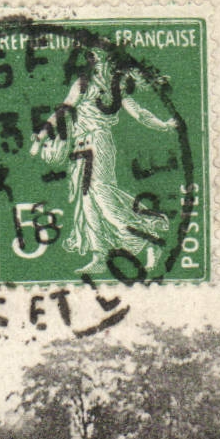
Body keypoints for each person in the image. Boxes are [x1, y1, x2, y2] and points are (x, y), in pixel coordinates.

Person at [30, 45, 180, 276]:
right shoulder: (83, 84)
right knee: (87, 205)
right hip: (79, 148)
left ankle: (149, 240)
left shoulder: (118, 89)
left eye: (104, 61)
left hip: (98, 143)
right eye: (96, 60)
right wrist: (41, 136)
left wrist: (164, 125)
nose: (100, 65)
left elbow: (139, 113)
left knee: (103, 198)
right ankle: (99, 256)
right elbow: (63, 110)